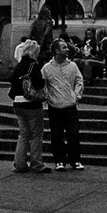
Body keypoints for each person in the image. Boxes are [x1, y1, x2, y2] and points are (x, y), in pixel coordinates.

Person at [41, 38, 85, 171]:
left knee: (74, 134)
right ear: (56, 51)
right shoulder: (47, 68)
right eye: (64, 47)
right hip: (55, 106)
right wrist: (48, 97)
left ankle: (75, 160)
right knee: (56, 134)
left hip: (70, 105)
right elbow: (43, 85)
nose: (67, 49)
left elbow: (79, 81)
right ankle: (59, 160)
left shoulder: (72, 66)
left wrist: (76, 95)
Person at [9, 40, 51, 174]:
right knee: (36, 134)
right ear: (35, 52)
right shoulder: (33, 65)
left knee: (23, 134)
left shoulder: (19, 65)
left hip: (17, 103)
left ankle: (20, 164)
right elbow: (38, 84)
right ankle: (37, 163)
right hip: (31, 104)